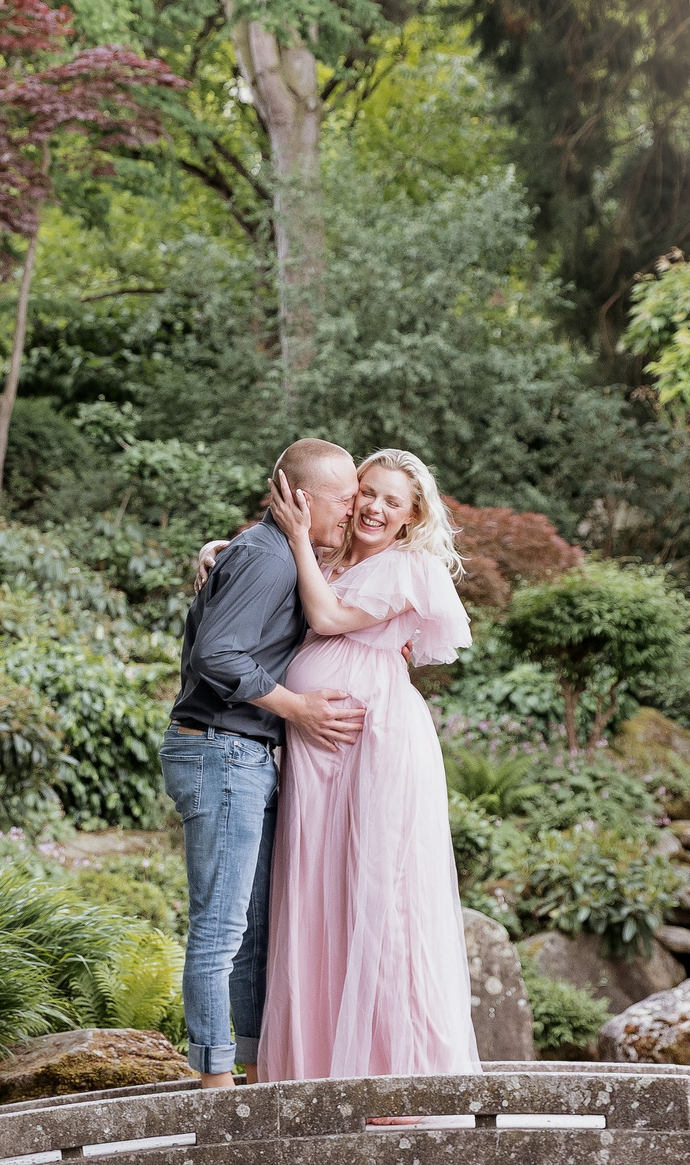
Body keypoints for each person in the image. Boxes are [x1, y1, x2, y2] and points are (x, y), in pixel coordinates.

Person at [250, 447, 481, 1083]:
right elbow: (271, 575)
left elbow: (326, 618)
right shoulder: (326, 557)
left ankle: (396, 1075)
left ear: (412, 517)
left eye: (392, 501)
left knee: (380, 892)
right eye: (367, 492)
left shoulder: (407, 567)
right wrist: (220, 550)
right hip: (315, 749)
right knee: (318, 891)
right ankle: (319, 1070)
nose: (375, 508)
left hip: (376, 742)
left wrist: (298, 538)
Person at [163, 438, 368, 1090]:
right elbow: (217, 656)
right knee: (222, 927)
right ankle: (215, 1085)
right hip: (221, 749)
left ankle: (252, 1073)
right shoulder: (266, 558)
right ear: (302, 499)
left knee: (252, 933)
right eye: (345, 499)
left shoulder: (273, 553)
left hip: (243, 754)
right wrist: (297, 707)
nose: (353, 510)